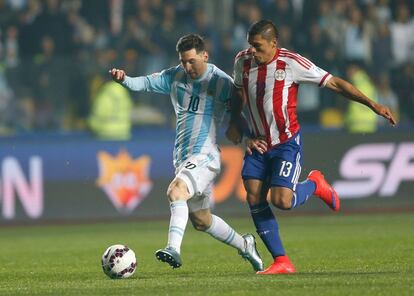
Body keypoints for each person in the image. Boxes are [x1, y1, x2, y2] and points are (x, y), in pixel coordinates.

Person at [226, 20, 396, 275]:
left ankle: (315, 183)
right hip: (258, 142)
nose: (253, 51)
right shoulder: (243, 61)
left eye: (258, 46)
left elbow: (336, 84)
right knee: (253, 195)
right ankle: (282, 261)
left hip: (285, 143)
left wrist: (373, 104)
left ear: (274, 44)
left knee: (281, 200)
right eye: (250, 45)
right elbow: (238, 94)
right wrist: (238, 124)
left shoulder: (292, 63)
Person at [109, 34, 263, 272]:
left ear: (205, 55)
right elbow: (146, 83)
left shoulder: (221, 82)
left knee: (176, 190)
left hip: (205, 156)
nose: (187, 67)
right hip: (182, 157)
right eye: (183, 61)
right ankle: (246, 244)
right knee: (202, 220)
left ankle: (173, 249)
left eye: (192, 61)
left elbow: (238, 108)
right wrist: (125, 79)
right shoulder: (175, 76)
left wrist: (245, 134)